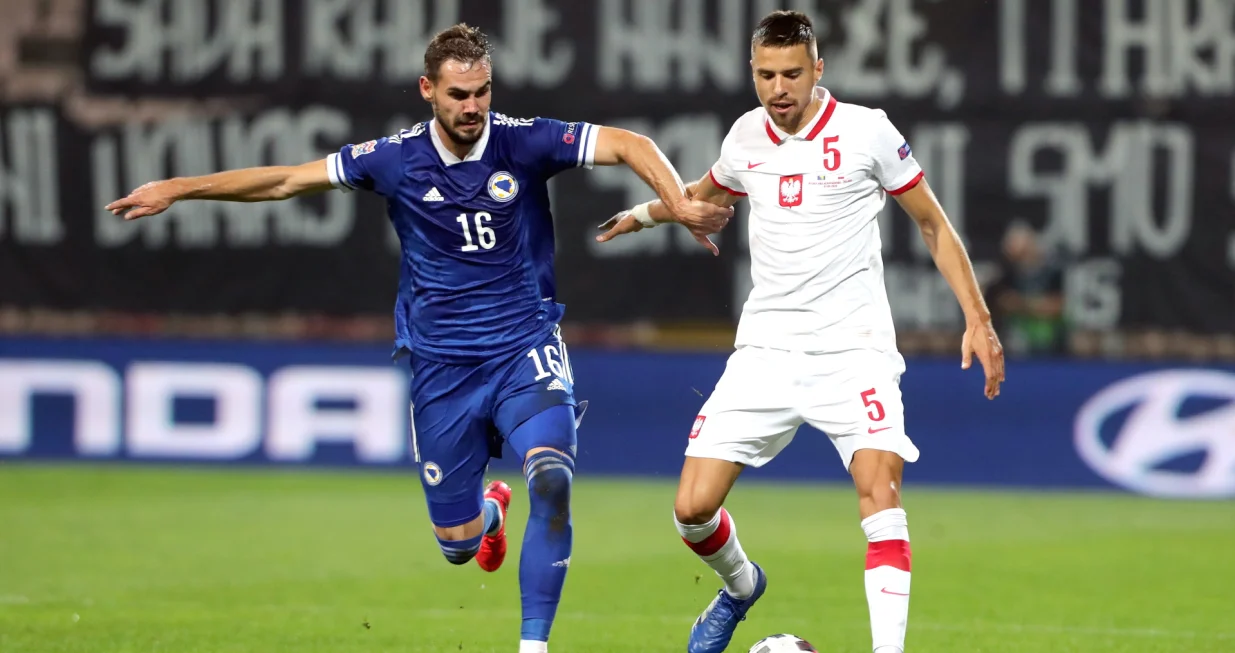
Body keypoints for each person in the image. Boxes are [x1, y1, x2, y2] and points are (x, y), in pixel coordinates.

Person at [105, 23, 732, 653]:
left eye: (482, 91)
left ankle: (533, 646)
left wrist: (675, 202)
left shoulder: (524, 143)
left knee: (552, 478)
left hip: (524, 346)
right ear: (428, 89)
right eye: (459, 94)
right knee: (457, 546)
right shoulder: (394, 159)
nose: (473, 107)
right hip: (442, 368)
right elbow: (288, 181)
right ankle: (489, 513)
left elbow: (628, 142)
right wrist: (179, 189)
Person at [596, 11, 1005, 653]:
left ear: (819, 69)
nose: (779, 89)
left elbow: (933, 224)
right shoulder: (745, 138)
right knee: (691, 510)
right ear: (752, 73)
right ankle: (740, 586)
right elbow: (704, 198)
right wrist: (646, 215)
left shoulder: (867, 131)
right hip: (766, 352)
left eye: (792, 74)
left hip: (854, 353)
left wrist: (978, 318)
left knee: (882, 500)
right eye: (766, 75)